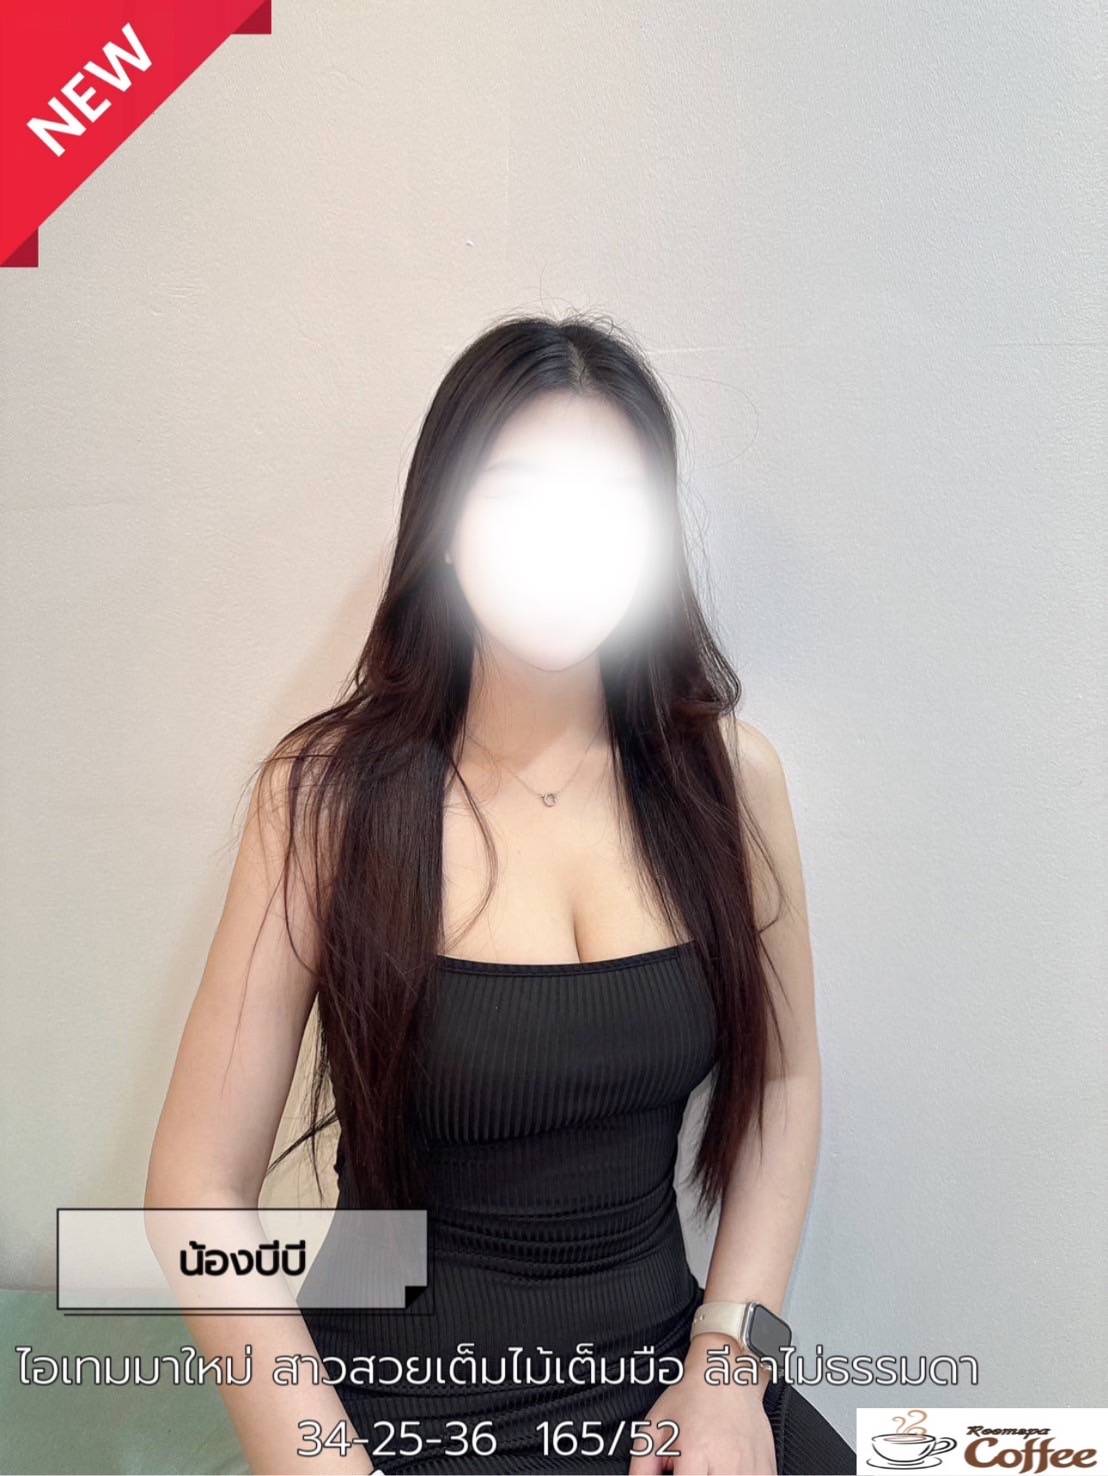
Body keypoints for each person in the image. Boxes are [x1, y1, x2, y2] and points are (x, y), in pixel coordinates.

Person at [146, 313, 856, 1475]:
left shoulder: (731, 784)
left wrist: (729, 1368)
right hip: (403, 1400)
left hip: (674, 1380)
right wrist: (317, 1458)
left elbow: (783, 1082)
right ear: (441, 528)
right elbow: (196, 1190)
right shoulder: (325, 798)